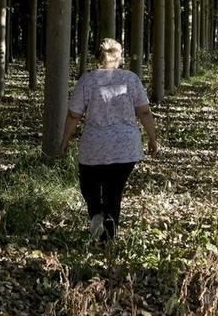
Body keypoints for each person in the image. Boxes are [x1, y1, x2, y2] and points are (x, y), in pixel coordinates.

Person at [59, 38, 158, 240]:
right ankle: (108, 237)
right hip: (125, 147)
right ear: (119, 57)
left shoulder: (87, 80)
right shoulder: (131, 79)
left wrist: (65, 140)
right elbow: (145, 112)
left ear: (97, 57)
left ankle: (96, 213)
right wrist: (152, 138)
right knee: (114, 192)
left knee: (89, 187)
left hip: (94, 146)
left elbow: (73, 115)